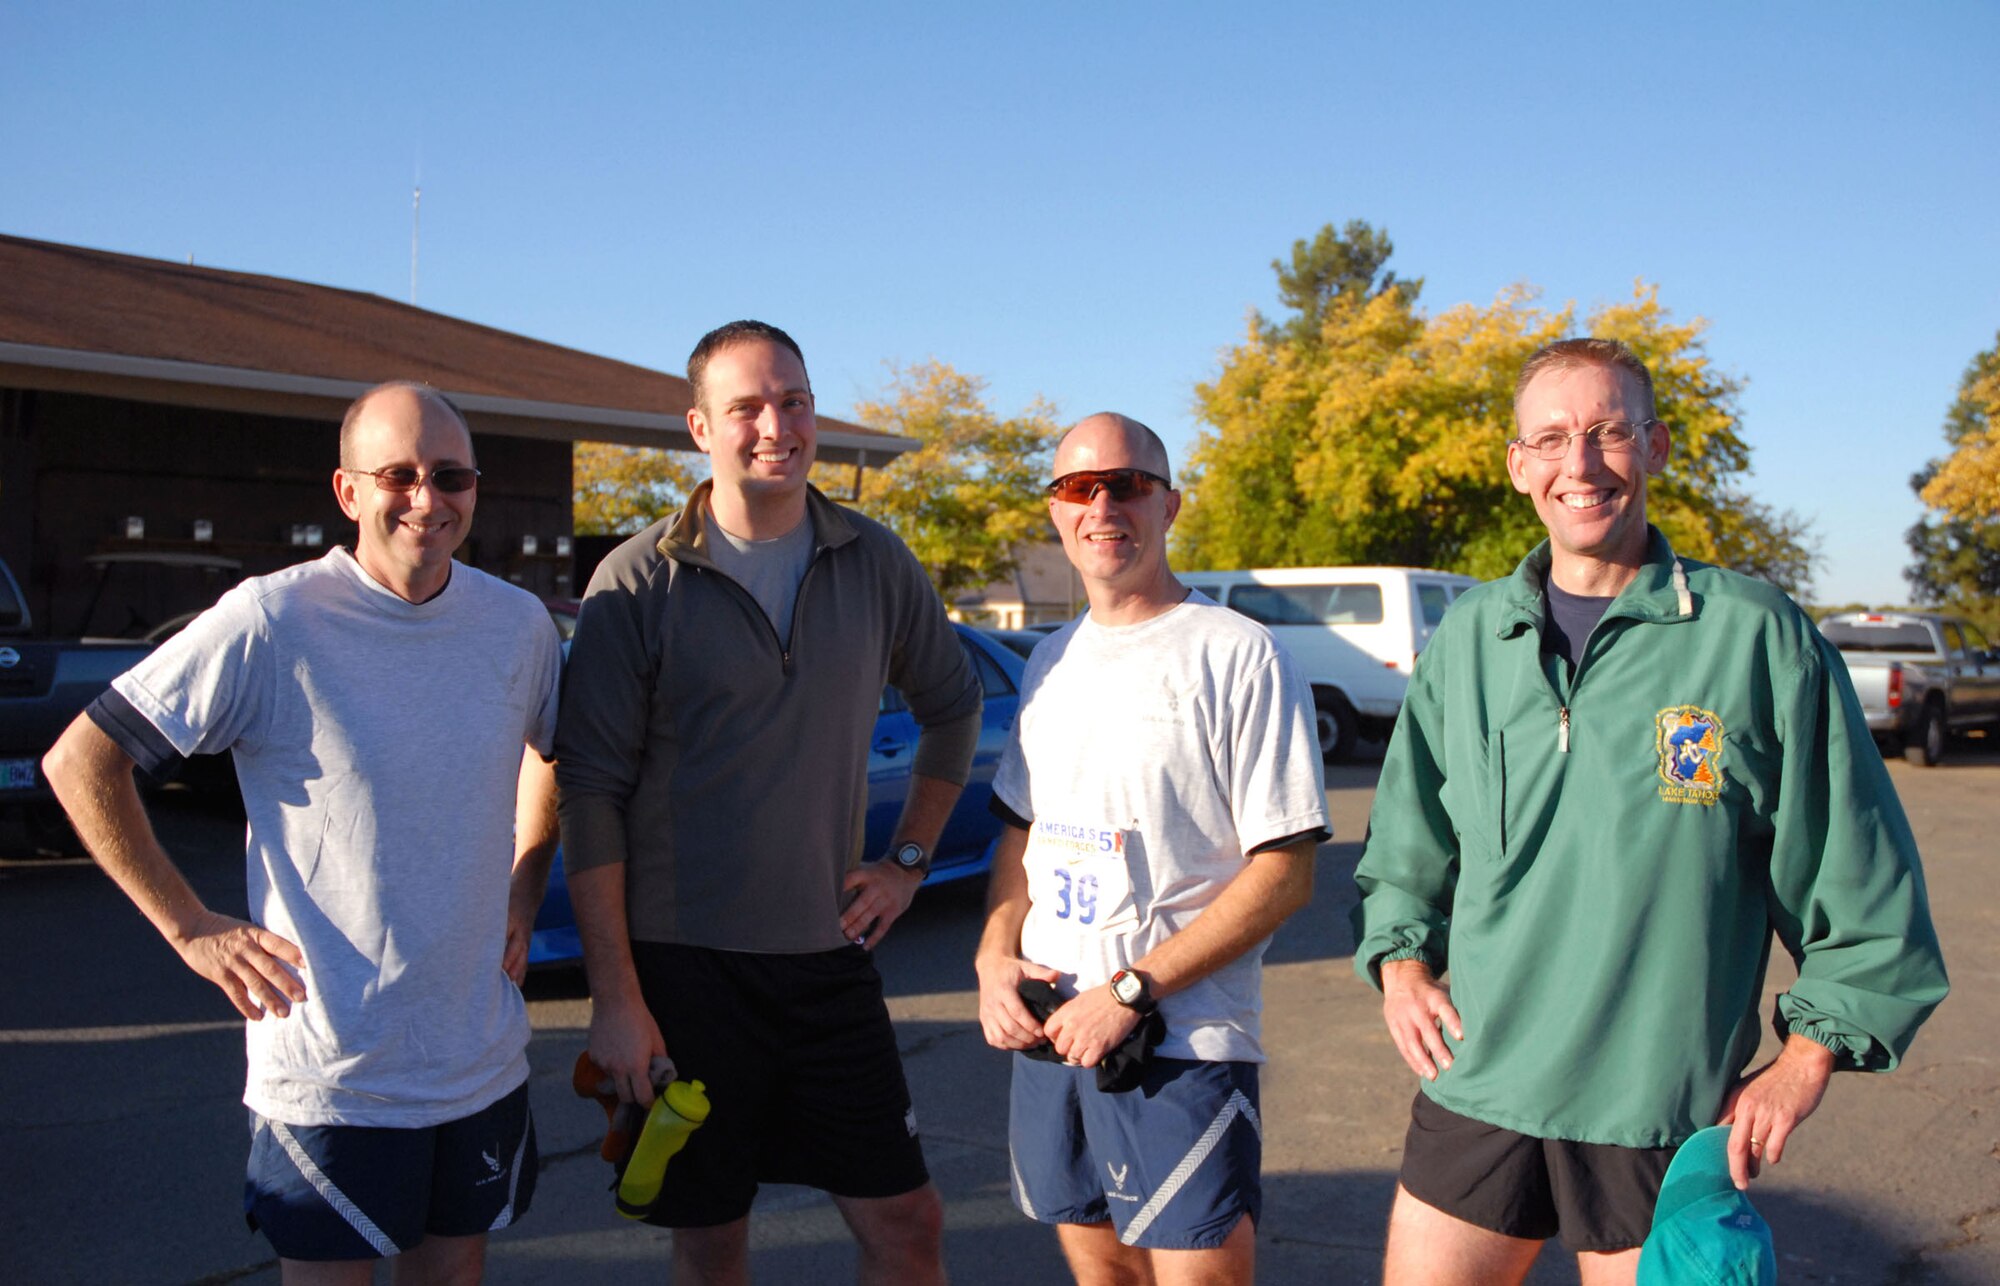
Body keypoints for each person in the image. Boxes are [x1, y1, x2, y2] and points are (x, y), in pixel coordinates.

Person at [1351, 338, 1949, 1285]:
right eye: (1549, 438)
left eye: (1608, 432)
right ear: (1518, 467)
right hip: (1480, 1085)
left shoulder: (1754, 637)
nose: (1579, 465)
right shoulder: (1472, 640)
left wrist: (1805, 1059)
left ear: (1657, 446)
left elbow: (1862, 882)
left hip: (1659, 1111)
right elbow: (1406, 848)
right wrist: (1400, 963)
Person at [43, 382, 563, 1283]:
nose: (427, 500)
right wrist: (190, 926)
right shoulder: (273, 620)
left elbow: (551, 753)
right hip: (331, 1073)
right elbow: (82, 761)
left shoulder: (517, 625)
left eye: (451, 476)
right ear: (347, 491)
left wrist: (526, 876)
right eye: (397, 475)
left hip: (478, 1056)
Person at [555, 320, 981, 1285]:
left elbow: (952, 708)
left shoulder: (874, 559)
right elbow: (590, 794)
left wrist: (908, 863)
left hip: (828, 965)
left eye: (793, 401)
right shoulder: (639, 579)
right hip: (686, 974)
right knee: (712, 1240)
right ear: (700, 426)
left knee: (909, 1225)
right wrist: (616, 998)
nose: (775, 425)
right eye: (747, 406)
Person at [974, 413, 1330, 1285]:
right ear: (1056, 512)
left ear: (1170, 504)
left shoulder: (1238, 654)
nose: (1102, 505)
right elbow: (1023, 833)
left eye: (1126, 485)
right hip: (1054, 1032)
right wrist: (991, 956)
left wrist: (1131, 991)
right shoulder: (1048, 660)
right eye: (1076, 488)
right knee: (1101, 1272)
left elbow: (1284, 873)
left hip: (1179, 1039)